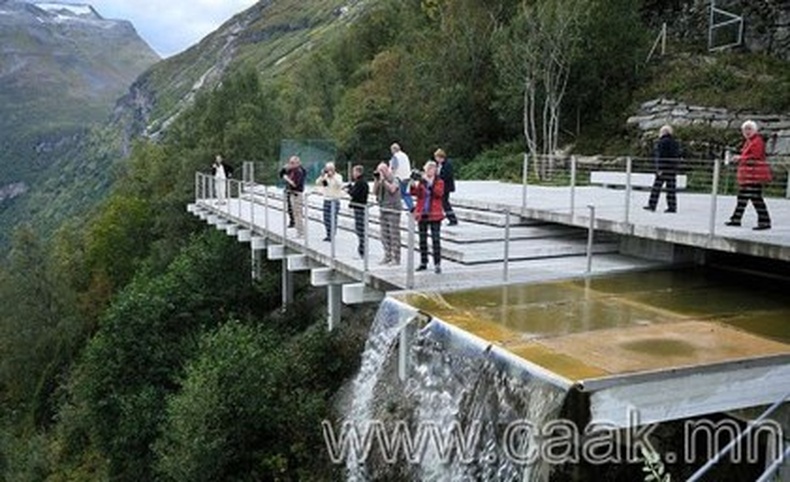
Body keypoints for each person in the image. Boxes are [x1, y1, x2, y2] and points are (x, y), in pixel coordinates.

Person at [725, 120, 772, 230]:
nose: (746, 131)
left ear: (755, 130)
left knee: (755, 198)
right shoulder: (750, 141)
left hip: (754, 176)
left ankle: (764, 221)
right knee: (743, 197)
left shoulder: (757, 141)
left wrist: (740, 158)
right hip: (749, 175)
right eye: (745, 129)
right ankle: (736, 219)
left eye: (749, 129)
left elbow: (756, 156)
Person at [411, 160, 445, 274]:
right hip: (423, 213)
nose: (429, 171)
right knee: (422, 240)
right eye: (427, 169)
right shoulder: (422, 181)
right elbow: (417, 194)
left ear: (435, 170)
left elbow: (439, 194)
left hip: (435, 214)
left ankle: (437, 264)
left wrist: (429, 183)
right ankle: (423, 262)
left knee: (435, 240)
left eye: (431, 169)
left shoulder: (439, 181)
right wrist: (412, 184)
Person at [643, 125, 681, 213]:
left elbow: (660, 156)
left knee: (656, 188)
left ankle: (652, 205)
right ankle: (672, 207)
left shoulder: (661, 142)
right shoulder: (675, 142)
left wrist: (659, 168)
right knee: (671, 189)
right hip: (672, 169)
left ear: (663, 132)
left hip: (663, 169)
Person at [373, 162, 402, 265]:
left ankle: (396, 258)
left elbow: (393, 189)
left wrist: (383, 180)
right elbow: (374, 192)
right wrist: (377, 181)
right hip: (383, 209)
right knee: (384, 234)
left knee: (394, 235)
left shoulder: (395, 179)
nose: (380, 173)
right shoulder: (380, 180)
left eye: (382, 171)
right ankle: (387, 255)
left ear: (386, 170)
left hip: (393, 210)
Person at [345, 164, 369, 258]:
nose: (352, 174)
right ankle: (361, 249)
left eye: (354, 172)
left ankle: (362, 250)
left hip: (360, 208)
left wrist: (349, 190)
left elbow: (355, 194)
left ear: (358, 172)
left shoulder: (360, 182)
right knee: (360, 229)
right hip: (359, 207)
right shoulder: (361, 182)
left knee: (360, 229)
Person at [316, 162, 344, 241]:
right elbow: (318, 183)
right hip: (326, 199)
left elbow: (339, 185)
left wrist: (333, 177)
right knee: (326, 218)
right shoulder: (325, 177)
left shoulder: (338, 176)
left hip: (334, 200)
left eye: (330, 169)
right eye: (327, 169)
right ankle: (328, 233)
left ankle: (332, 234)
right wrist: (322, 176)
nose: (328, 171)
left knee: (333, 218)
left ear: (333, 169)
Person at [282, 156, 305, 237]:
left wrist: (287, 179)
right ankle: (298, 231)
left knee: (298, 213)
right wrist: (284, 170)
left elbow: (295, 184)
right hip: (292, 193)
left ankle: (301, 232)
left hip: (297, 194)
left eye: (292, 163)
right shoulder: (292, 170)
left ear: (298, 163)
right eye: (290, 162)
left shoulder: (299, 171)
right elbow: (281, 174)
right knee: (294, 213)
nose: (290, 164)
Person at [435, 148, 458, 225]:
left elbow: (448, 175)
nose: (436, 159)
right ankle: (450, 217)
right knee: (444, 203)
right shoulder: (439, 165)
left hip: (446, 186)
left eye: (437, 157)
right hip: (441, 186)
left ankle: (452, 218)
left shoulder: (447, 164)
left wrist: (439, 177)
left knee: (445, 203)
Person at [390, 143, 414, 212]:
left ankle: (396, 207)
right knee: (406, 193)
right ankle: (411, 206)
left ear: (394, 149)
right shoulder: (405, 155)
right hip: (407, 176)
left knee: (398, 193)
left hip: (399, 177)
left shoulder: (395, 156)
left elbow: (394, 167)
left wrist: (391, 175)